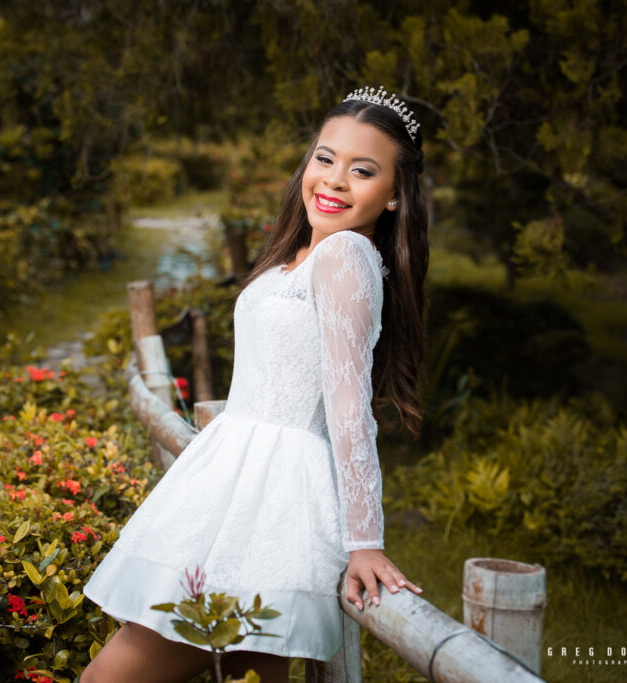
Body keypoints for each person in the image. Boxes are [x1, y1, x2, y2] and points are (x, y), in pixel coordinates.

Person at [81, 86, 429, 683]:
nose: (336, 180)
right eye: (325, 158)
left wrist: (365, 541)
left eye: (363, 170)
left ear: (394, 194)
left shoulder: (346, 254)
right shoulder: (299, 253)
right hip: (233, 481)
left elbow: (350, 408)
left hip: (275, 499)